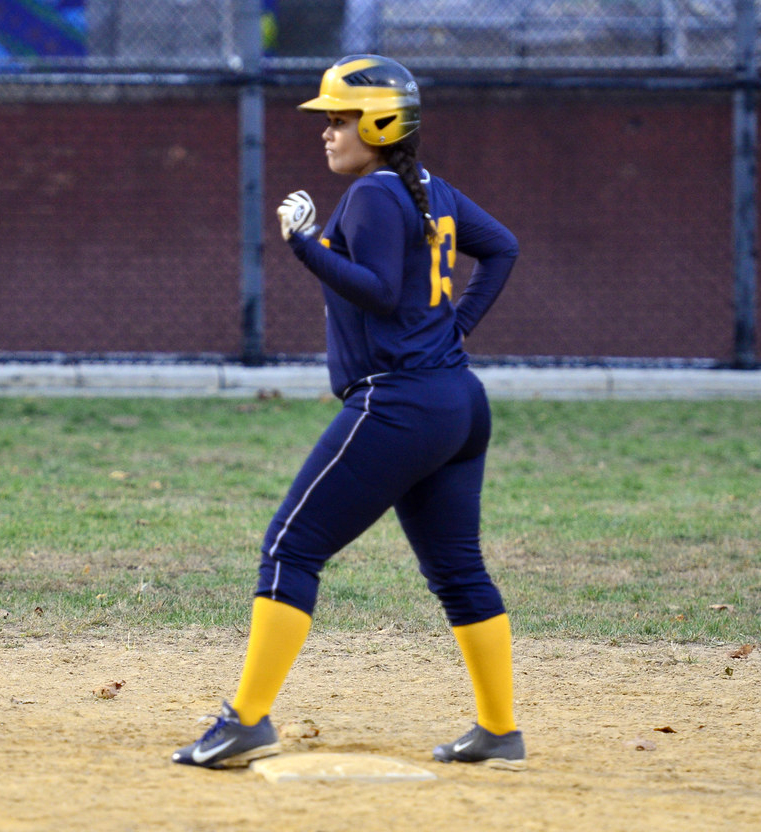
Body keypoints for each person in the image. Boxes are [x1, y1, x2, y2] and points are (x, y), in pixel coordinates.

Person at [171, 54, 524, 771]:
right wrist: (454, 329)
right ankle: (499, 731)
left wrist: (302, 245)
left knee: (290, 548)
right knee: (457, 570)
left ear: (382, 125)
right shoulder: (425, 187)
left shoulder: (370, 194)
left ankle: (246, 721)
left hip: (399, 402)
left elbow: (380, 292)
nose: (327, 131)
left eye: (341, 119)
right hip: (456, 401)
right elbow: (501, 248)